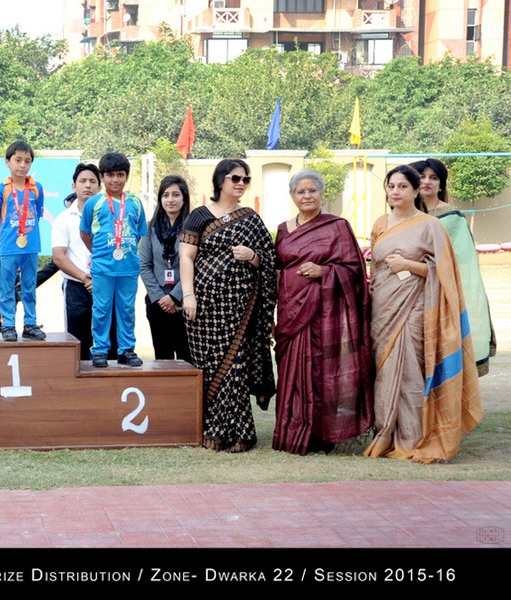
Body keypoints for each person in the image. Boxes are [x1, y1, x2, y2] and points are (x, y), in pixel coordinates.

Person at [365, 165, 482, 463]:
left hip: (415, 307)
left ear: (416, 190)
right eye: (391, 186)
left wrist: (408, 265)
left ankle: (412, 437)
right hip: (382, 308)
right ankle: (385, 434)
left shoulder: (430, 226)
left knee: (409, 372)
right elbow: (375, 268)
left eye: (403, 186)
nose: (395, 192)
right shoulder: (380, 223)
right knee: (383, 372)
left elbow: (444, 271)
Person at [272, 169, 373, 455]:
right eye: (301, 191)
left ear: (321, 193)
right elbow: (277, 270)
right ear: (292, 196)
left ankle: (320, 434)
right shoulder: (283, 229)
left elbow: (354, 270)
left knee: (319, 370)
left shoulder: (337, 227)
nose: (307, 196)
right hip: (290, 311)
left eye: (312, 190)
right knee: (291, 371)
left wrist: (324, 271)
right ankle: (291, 432)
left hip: (322, 314)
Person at [180, 158, 276, 452]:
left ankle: (239, 433)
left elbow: (271, 260)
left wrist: (252, 256)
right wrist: (188, 295)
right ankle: (211, 427)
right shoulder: (198, 216)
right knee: (209, 366)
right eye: (235, 178)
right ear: (220, 180)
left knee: (235, 366)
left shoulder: (251, 219)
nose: (241, 184)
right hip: (205, 307)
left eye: (246, 179)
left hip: (241, 308)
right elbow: (186, 257)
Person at [410, 158, 495, 376]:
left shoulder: (452, 218)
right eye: (421, 177)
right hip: (409, 294)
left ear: (441, 185)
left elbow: (462, 261)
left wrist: (419, 264)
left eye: (433, 178)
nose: (427, 181)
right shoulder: (403, 215)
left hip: (443, 293)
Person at [80, 152, 148, 368]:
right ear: (102, 177)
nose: (115, 180)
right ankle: (100, 350)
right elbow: (85, 233)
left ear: (127, 176)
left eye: (120, 175)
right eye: (110, 175)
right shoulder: (94, 203)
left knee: (127, 310)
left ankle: (126, 350)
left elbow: (139, 234)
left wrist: (123, 248)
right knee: (101, 309)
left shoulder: (135, 203)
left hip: (128, 268)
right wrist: (100, 252)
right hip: (103, 268)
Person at [0, 141, 46, 342]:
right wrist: (8, 238)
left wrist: (25, 231)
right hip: (9, 246)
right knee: (7, 286)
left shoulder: (36, 188)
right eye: (18, 160)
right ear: (7, 162)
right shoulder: (1, 189)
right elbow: (0, 218)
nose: (22, 165)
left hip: (31, 245)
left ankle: (30, 323)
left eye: (27, 161)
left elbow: (37, 214)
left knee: (29, 285)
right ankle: (7, 324)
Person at [52, 165, 105, 360]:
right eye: (82, 181)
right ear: (74, 186)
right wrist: (85, 278)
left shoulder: (110, 215)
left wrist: (99, 278)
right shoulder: (64, 219)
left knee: (108, 342)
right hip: (76, 287)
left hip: (106, 285)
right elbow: (59, 256)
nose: (87, 185)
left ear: (99, 186)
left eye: (92, 181)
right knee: (78, 342)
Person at [139, 175, 191, 362]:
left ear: (184, 198)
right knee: (162, 359)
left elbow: (196, 266)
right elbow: (144, 266)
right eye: (166, 195)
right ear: (160, 199)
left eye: (176, 195)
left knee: (187, 359)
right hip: (157, 304)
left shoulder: (193, 229)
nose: (170, 199)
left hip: (185, 303)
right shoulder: (149, 228)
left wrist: (174, 296)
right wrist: (161, 298)